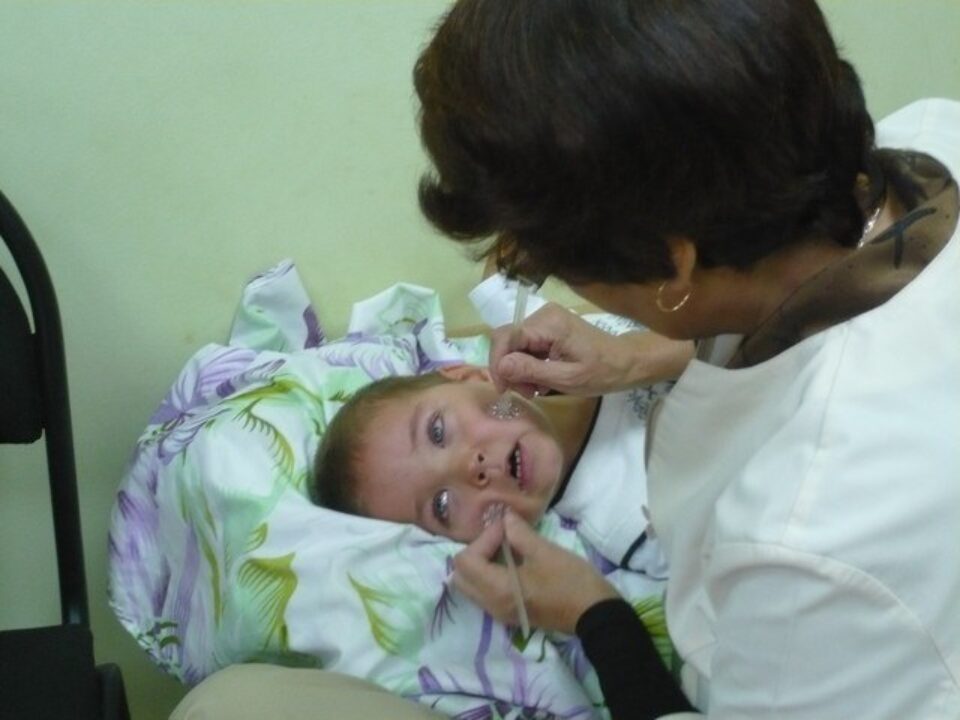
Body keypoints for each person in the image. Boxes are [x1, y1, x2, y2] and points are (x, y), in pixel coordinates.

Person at [413, 1, 960, 719]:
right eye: (439, 504)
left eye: (546, 263)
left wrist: (596, 615)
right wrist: (641, 356)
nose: (473, 465)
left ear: (673, 267)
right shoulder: (926, 135)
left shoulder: (806, 538)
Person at [309, 362, 672, 577]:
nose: (470, 468)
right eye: (442, 504)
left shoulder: (573, 343)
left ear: (467, 375)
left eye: (437, 432)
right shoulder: (637, 525)